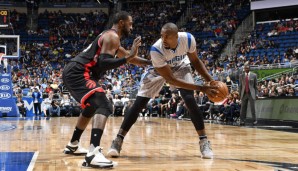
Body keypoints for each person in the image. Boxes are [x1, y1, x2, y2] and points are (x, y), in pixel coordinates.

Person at [107, 23, 219, 159]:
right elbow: (171, 79)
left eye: (167, 36)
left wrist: (211, 81)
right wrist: (202, 88)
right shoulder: (156, 49)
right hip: (159, 69)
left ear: (176, 37)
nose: (163, 39)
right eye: (162, 35)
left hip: (180, 65)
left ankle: (204, 141)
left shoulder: (188, 39)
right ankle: (118, 140)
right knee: (139, 104)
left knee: (189, 99)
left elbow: (195, 61)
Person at [62, 11, 150, 168]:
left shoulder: (113, 40)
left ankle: (73, 144)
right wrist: (127, 58)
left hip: (77, 71)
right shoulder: (112, 36)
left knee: (91, 107)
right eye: (130, 23)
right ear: (121, 22)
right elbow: (103, 63)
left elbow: (133, 59)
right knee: (104, 105)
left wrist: (154, 63)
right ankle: (93, 153)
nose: (132, 26)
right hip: (80, 72)